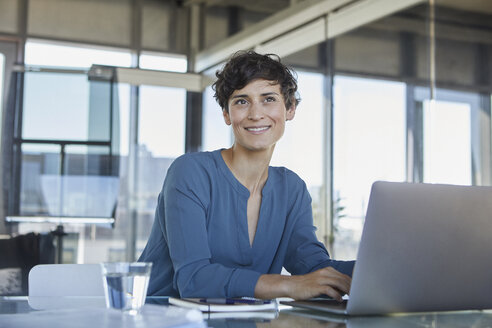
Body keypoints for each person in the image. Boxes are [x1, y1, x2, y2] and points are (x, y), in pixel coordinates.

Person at [138, 50, 354, 301]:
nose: (255, 114)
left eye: (268, 99)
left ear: (290, 108)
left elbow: (314, 268)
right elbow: (194, 279)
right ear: (227, 114)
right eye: (242, 101)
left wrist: (385, 269)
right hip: (163, 320)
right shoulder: (190, 172)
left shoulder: (291, 188)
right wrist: (289, 285)